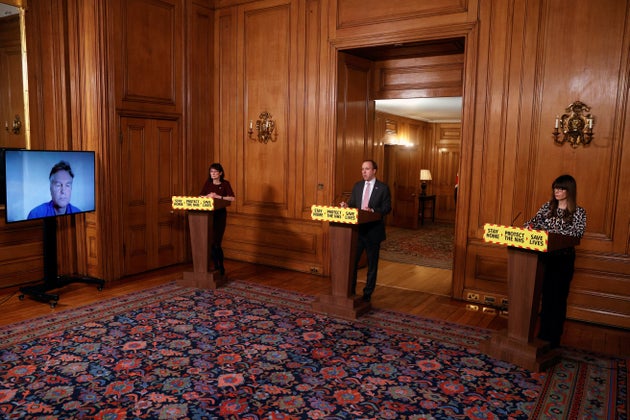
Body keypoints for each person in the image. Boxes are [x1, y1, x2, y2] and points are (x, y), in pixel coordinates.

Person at [524, 174, 586, 348]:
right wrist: (526, 227)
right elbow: (531, 223)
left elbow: (577, 234)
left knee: (557, 298)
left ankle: (554, 338)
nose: (556, 191)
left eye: (561, 188)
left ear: (570, 190)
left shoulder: (578, 212)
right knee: (545, 297)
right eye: (555, 188)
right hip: (545, 258)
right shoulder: (547, 207)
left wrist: (552, 232)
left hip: (563, 260)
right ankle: (542, 335)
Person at [340, 159, 392, 302]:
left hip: (373, 232)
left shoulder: (383, 188)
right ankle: (350, 291)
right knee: (353, 263)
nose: (364, 171)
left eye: (367, 169)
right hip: (357, 232)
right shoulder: (357, 186)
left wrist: (373, 210)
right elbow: (352, 205)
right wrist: (346, 206)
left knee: (372, 265)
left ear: (374, 171)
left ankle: (367, 294)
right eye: (362, 169)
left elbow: (387, 208)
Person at [200, 162, 235, 275]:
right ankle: (215, 266)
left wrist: (218, 196)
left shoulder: (225, 184)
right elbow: (200, 196)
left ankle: (221, 266)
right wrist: (207, 196)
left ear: (220, 173)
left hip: (220, 215)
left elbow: (232, 198)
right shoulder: (208, 183)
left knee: (217, 242)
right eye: (211, 172)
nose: (213, 174)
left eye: (215, 172)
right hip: (208, 216)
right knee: (210, 242)